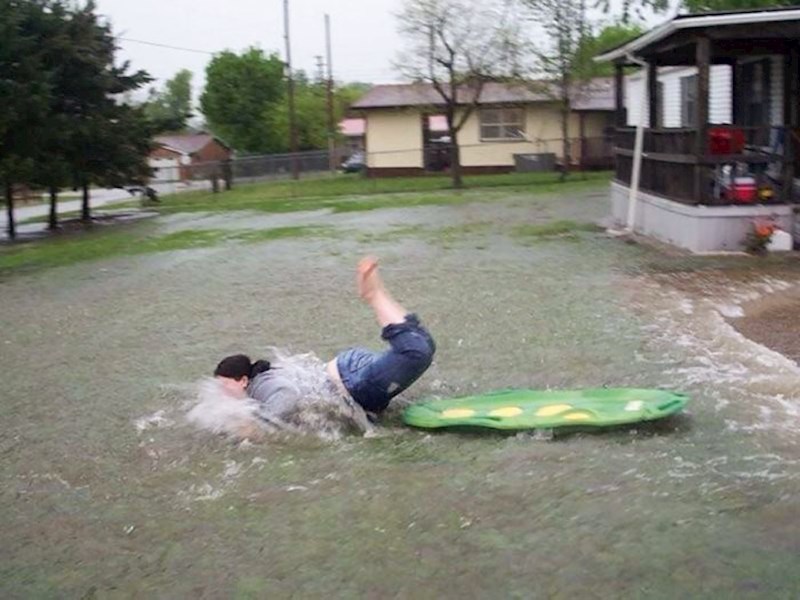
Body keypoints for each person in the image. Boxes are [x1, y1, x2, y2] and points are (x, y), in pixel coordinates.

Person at [212, 257, 436, 430]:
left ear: (243, 380)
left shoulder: (259, 385)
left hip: (350, 383)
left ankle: (374, 295)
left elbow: (287, 396)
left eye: (225, 385)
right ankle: (378, 296)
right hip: (349, 370)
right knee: (424, 346)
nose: (222, 392)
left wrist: (256, 425)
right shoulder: (263, 379)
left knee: (415, 353)